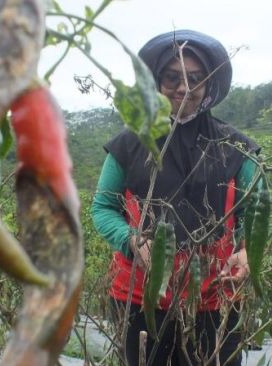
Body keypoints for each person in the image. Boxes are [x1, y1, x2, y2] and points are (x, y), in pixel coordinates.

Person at [91, 29, 260, 366]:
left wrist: (247, 250)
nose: (184, 89)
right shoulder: (129, 144)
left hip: (214, 296)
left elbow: (254, 212)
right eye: (172, 78)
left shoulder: (235, 148)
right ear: (156, 82)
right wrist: (132, 240)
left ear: (209, 85)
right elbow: (103, 207)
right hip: (140, 296)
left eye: (195, 80)